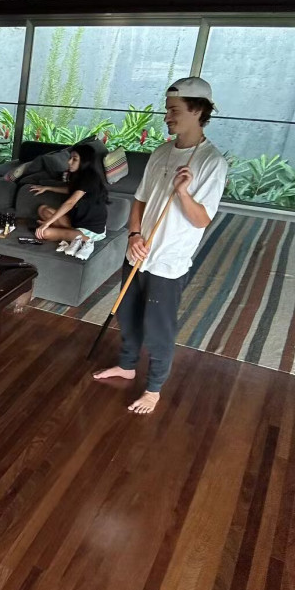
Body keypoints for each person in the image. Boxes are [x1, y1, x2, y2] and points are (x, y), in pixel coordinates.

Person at [92, 77, 229, 415]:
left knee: (158, 329)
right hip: (138, 252)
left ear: (197, 110)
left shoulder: (211, 162)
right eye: (167, 110)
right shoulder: (161, 152)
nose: (166, 117)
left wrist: (183, 192)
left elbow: (201, 220)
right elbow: (139, 200)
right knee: (128, 315)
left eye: (174, 110)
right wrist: (134, 235)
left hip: (168, 262)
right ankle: (127, 365)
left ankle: (153, 389)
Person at [28, 142, 111, 260]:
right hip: (77, 223)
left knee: (44, 233)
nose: (69, 162)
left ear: (84, 161)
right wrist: (47, 188)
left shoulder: (90, 178)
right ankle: (74, 236)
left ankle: (86, 240)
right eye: (70, 158)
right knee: (43, 210)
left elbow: (70, 203)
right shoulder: (78, 175)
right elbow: (70, 190)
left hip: (91, 229)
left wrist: (47, 223)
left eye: (74, 159)